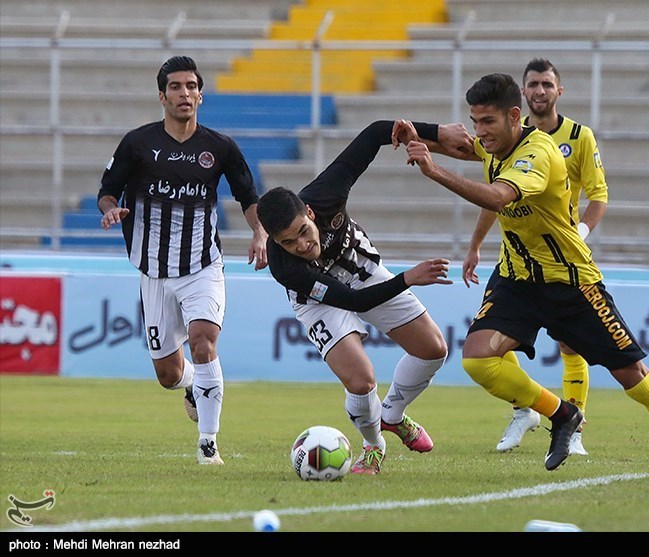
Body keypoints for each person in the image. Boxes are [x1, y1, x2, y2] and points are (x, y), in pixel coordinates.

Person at [397, 72, 649, 481]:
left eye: (488, 122)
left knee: (633, 377)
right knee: (478, 359)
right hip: (518, 280)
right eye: (475, 121)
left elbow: (498, 197)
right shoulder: (494, 145)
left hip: (571, 283)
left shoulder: (538, 154)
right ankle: (562, 413)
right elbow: (460, 145)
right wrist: (416, 132)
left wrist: (434, 171)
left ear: (514, 116)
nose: (480, 132)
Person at [256, 119, 470, 475]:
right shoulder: (285, 267)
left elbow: (374, 133)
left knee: (433, 350)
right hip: (320, 299)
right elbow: (353, 302)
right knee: (360, 380)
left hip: (362, 269)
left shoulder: (327, 190)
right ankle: (373, 445)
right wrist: (408, 278)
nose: (302, 245)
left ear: (310, 212)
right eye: (288, 242)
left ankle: (392, 414)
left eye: (303, 232)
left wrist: (436, 132)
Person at [97, 56, 268, 465]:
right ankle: (192, 383)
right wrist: (110, 209)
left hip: (202, 265)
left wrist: (260, 232)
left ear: (201, 95)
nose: (184, 93)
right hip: (153, 271)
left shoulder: (220, 147)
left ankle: (208, 444)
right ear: (162, 96)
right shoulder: (137, 144)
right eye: (175, 87)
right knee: (168, 374)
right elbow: (107, 190)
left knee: (203, 342)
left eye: (191, 86)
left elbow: (249, 198)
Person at [462, 58, 608, 455]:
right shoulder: (504, 137)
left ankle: (573, 429)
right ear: (522, 94)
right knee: (490, 341)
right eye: (533, 85)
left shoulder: (579, 137)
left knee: (569, 345)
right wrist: (475, 245)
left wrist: (581, 232)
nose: (540, 91)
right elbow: (494, 195)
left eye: (547, 84)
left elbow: (598, 195)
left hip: (560, 257)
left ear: (559, 90)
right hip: (515, 257)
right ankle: (524, 410)